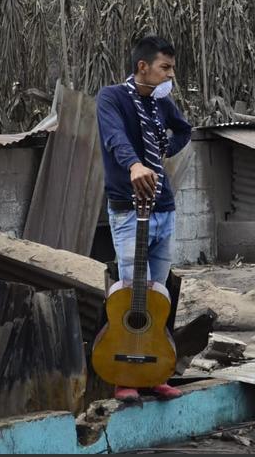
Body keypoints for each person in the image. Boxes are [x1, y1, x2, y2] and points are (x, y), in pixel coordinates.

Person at [95, 35, 192, 402]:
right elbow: (114, 138)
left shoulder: (163, 104)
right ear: (142, 67)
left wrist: (162, 152)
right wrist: (135, 164)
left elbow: (184, 130)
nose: (170, 76)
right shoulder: (111, 98)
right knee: (133, 290)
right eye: (165, 68)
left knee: (159, 295)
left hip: (163, 207)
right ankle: (125, 378)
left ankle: (156, 372)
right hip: (127, 208)